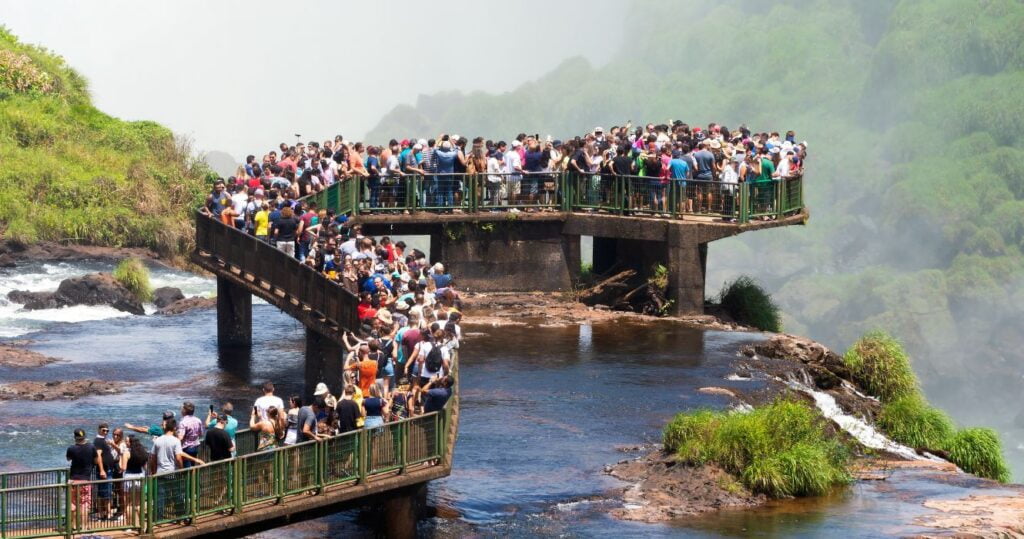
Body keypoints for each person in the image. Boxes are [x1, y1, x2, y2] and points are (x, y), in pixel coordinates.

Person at [66, 429, 96, 528]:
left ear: (75, 437)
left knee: (72, 503)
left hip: (73, 479)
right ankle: (84, 526)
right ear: (84, 437)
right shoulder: (91, 447)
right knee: (84, 504)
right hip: (85, 479)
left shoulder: (71, 448)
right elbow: (95, 460)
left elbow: (68, 459)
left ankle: (73, 526)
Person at [175, 402, 204, 468]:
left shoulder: (183, 422)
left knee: (187, 469)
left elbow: (180, 438)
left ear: (184, 411)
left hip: (186, 448)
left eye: (181, 409)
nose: (181, 410)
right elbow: (201, 434)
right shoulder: (198, 420)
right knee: (193, 466)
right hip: (195, 447)